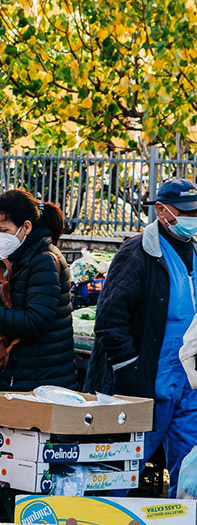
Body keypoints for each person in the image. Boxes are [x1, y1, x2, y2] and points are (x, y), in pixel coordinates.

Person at [85, 178, 197, 497]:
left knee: (191, 472)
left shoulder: (195, 252)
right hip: (147, 387)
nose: (195, 217)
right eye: (187, 211)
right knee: (119, 472)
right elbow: (109, 319)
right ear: (161, 211)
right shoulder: (138, 253)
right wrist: (130, 372)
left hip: (189, 389)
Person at [0, 189, 76, 390]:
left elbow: (35, 321)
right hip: (20, 374)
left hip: (37, 380)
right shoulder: (19, 256)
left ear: (26, 227)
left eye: (3, 230)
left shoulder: (43, 262)